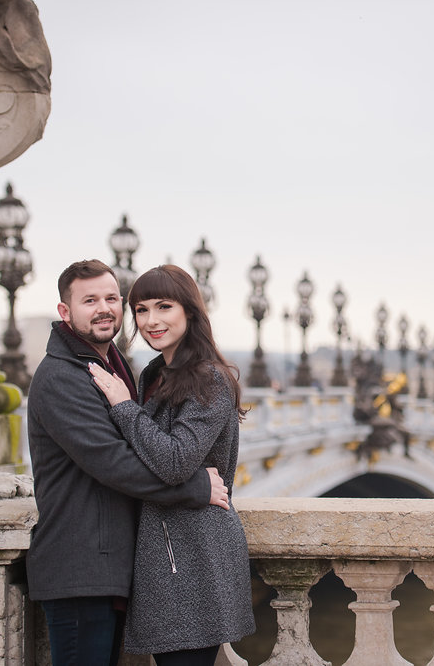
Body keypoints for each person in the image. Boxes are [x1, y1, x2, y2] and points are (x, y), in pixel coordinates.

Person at [27, 259, 230, 666]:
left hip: (110, 567)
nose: (104, 308)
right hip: (81, 568)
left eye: (111, 298)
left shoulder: (116, 368)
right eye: (89, 300)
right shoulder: (62, 377)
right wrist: (196, 488)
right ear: (65, 312)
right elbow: (116, 462)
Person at [88, 264, 256, 665]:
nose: (151, 321)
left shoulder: (210, 379)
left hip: (196, 553)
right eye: (141, 310)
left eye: (164, 306)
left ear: (189, 311)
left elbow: (175, 461)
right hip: (168, 552)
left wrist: (124, 406)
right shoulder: (154, 374)